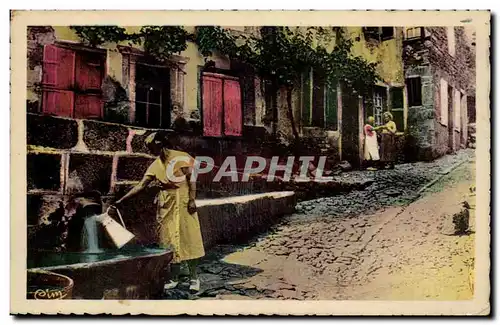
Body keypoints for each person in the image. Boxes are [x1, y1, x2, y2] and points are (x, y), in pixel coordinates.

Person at [110, 131, 205, 292]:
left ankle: (194, 278)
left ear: (160, 144)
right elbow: (141, 185)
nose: (150, 150)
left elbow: (192, 179)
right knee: (168, 240)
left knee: (189, 238)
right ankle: (174, 277)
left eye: (152, 147)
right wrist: (121, 201)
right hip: (165, 204)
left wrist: (191, 199)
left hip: (182, 201)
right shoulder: (155, 165)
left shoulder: (181, 157)